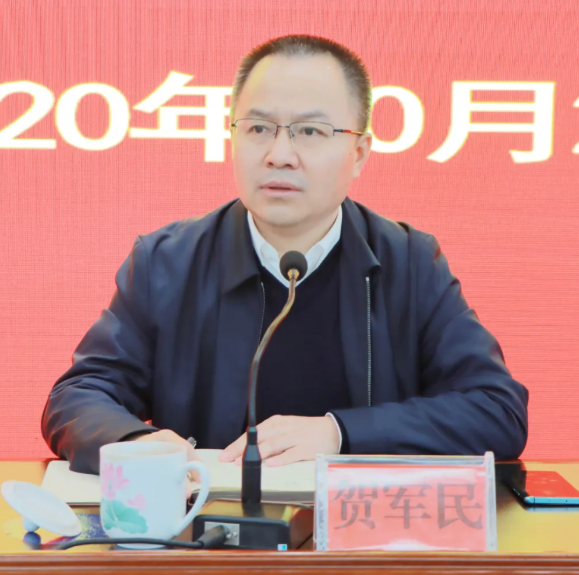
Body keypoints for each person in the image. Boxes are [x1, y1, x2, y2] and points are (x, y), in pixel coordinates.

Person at [41, 34, 528, 475]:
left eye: (310, 132)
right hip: (208, 532)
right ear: (232, 136)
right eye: (258, 128)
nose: (278, 154)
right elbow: (76, 397)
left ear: (359, 153)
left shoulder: (409, 262)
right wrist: (134, 442)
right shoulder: (167, 263)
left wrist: (341, 433)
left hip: (362, 533)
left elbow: (496, 409)